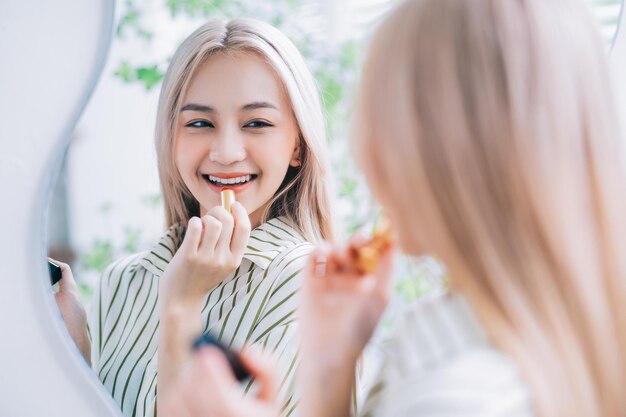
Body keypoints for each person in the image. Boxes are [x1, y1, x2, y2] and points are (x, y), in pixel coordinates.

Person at [159, 0, 626, 416]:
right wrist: (331, 376)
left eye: (379, 120)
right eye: (199, 121)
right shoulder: (491, 337)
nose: (367, 155)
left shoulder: (457, 399)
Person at [56, 17, 337, 417]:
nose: (225, 152)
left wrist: (183, 305)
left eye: (256, 123)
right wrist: (71, 360)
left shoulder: (314, 286)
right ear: (171, 138)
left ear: (298, 145)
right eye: (200, 123)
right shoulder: (122, 282)